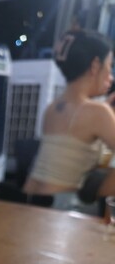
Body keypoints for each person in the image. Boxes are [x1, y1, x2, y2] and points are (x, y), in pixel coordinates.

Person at [23, 29, 115, 204]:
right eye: (109, 67)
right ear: (95, 66)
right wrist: (99, 202)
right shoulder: (98, 112)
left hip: (26, 201)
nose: (111, 77)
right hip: (57, 208)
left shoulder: (52, 108)